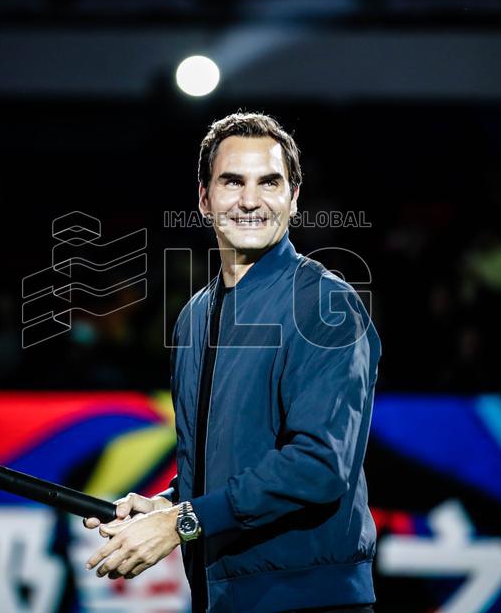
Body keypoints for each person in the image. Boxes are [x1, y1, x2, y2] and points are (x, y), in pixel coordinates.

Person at [85, 112, 381, 612]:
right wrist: (169, 504)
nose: (249, 200)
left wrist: (182, 522)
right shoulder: (195, 316)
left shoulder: (326, 305)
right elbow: (230, 461)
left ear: (294, 198)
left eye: (269, 182)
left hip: (312, 603)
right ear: (204, 199)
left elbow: (319, 466)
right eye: (232, 181)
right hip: (221, 599)